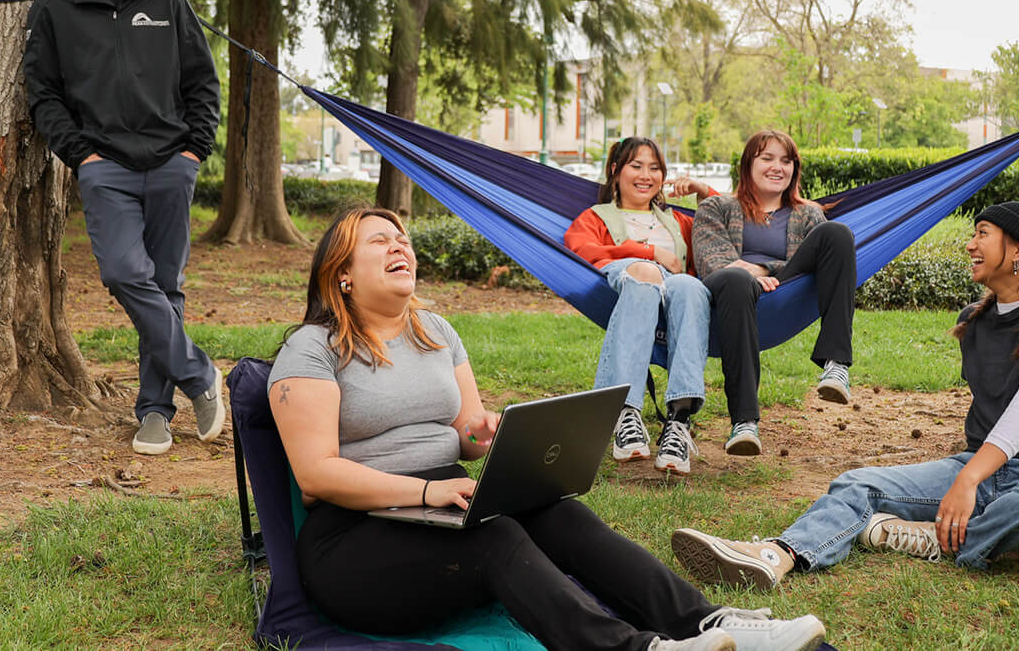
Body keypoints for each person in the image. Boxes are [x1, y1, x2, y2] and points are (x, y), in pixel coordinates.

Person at [267, 206, 826, 651]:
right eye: (379, 240)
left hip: (442, 509)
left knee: (556, 509)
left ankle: (711, 622)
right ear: (341, 273)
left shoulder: (436, 332)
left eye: (402, 238)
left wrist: (486, 435)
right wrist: (428, 491)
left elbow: (465, 432)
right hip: (355, 544)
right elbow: (317, 476)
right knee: (495, 534)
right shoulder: (312, 348)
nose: (399, 246)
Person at [671, 202, 1019, 584]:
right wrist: (970, 475)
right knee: (857, 485)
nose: (970, 245)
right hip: (978, 471)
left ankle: (938, 538)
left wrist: (968, 479)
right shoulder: (974, 320)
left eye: (982, 234)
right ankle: (778, 554)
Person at [23, 0, 223, 456]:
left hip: (171, 167)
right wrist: (81, 155)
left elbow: (202, 86)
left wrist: (192, 153)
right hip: (104, 168)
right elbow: (44, 95)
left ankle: (155, 413)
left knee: (165, 287)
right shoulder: (56, 9)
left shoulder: (168, 4)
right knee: (122, 273)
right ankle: (198, 375)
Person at [691, 130, 857, 456]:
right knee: (738, 280)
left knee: (837, 233)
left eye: (786, 160)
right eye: (766, 158)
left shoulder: (808, 215)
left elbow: (820, 263)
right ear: (748, 164)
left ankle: (837, 364)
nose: (777, 167)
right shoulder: (716, 207)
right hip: (729, 294)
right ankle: (744, 422)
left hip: (781, 292)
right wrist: (747, 274)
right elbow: (714, 263)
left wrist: (765, 269)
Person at [564, 137, 715, 474]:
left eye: (655, 168)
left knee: (692, 287)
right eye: (636, 166)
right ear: (616, 170)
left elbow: (731, 220)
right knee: (646, 274)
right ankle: (624, 412)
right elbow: (580, 248)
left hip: (675, 292)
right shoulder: (598, 217)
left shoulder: (677, 221)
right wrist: (649, 253)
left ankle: (679, 418)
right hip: (629, 279)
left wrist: (700, 187)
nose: (646, 175)